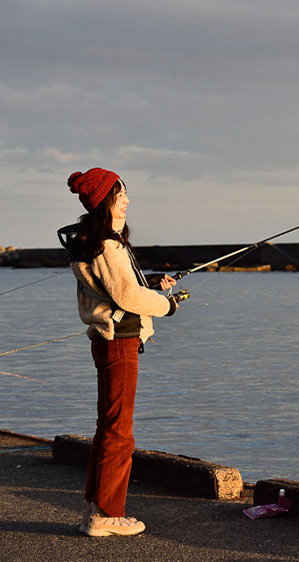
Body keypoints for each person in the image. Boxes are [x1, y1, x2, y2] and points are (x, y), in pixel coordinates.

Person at [62, 168, 179, 536]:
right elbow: (126, 296)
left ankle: (94, 510)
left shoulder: (92, 241)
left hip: (109, 341)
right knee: (119, 432)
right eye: (120, 194)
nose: (127, 201)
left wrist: (154, 286)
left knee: (107, 428)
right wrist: (167, 305)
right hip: (119, 342)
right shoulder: (107, 246)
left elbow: (121, 287)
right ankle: (107, 514)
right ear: (102, 203)